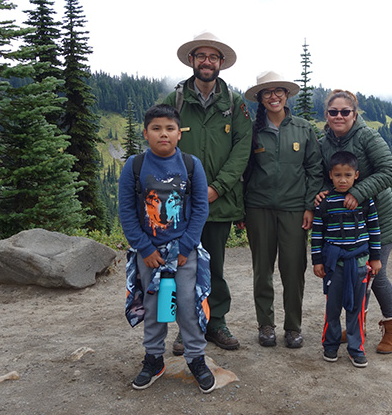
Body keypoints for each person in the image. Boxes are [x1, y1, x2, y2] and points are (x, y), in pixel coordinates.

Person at [162, 32, 252, 352]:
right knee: (182, 264)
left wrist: (217, 187)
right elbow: (159, 143)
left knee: (213, 265)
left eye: (213, 57)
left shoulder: (235, 104)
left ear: (221, 63)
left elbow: (243, 149)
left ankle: (215, 323)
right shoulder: (174, 102)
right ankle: (186, 326)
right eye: (201, 56)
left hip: (219, 201)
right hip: (181, 204)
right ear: (191, 61)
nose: (207, 62)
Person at [118, 104, 215, 393]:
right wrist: (144, 248)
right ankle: (153, 359)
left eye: (170, 128)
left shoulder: (191, 164)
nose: (164, 134)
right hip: (149, 254)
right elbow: (126, 211)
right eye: (156, 128)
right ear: (146, 133)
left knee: (188, 305)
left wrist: (186, 246)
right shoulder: (134, 166)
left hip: (184, 253)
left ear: (179, 133)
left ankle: (196, 358)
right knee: (152, 306)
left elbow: (199, 208)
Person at [239, 71, 323, 348]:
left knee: (293, 269)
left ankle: (293, 327)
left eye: (278, 91)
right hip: (258, 208)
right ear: (260, 99)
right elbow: (242, 171)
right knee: (262, 270)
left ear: (286, 95)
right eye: (267, 92)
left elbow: (314, 170)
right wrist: (241, 209)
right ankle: (266, 325)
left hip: (294, 209)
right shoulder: (252, 131)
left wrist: (310, 206)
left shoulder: (303, 129)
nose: (273, 96)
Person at [317, 89, 392, 354]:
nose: (339, 116)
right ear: (327, 115)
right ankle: (358, 328)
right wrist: (321, 191)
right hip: (345, 224)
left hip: (378, 219)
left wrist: (358, 192)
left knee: (374, 275)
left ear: (355, 114)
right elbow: (323, 175)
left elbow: (389, 171)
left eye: (345, 112)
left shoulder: (367, 136)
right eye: (334, 112)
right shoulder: (324, 142)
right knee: (356, 276)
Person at [312, 151, 382, 368]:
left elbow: (374, 229)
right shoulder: (324, 203)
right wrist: (317, 261)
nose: (343, 180)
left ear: (356, 175)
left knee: (357, 308)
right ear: (331, 176)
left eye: (348, 175)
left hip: (360, 263)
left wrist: (375, 258)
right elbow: (317, 233)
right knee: (332, 307)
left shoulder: (364, 201)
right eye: (338, 175)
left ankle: (356, 348)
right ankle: (330, 345)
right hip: (334, 264)